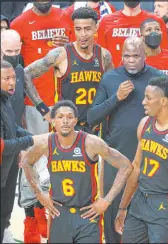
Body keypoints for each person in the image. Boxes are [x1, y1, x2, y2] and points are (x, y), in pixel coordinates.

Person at [87, 36, 168, 243]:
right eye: (127, 56)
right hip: (117, 156)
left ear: (145, 55)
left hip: (151, 157)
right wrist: (116, 98)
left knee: (145, 212)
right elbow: (92, 117)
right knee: (112, 209)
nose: (131, 60)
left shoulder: (158, 81)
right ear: (121, 57)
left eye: (136, 56)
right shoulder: (110, 79)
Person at [22, 100, 133, 243]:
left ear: (75, 120)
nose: (65, 121)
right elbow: (27, 163)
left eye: (69, 117)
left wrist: (106, 201)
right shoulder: (45, 143)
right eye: (60, 117)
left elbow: (126, 166)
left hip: (87, 215)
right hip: (59, 214)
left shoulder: (91, 143)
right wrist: (39, 194)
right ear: (53, 120)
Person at [114, 76, 168, 243]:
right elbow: (136, 167)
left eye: (148, 98)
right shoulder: (144, 124)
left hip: (165, 204)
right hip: (139, 200)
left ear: (164, 101)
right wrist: (123, 207)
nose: (143, 102)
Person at [24, 7, 114, 133]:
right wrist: (43, 109)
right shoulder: (60, 54)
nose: (82, 34)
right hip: (65, 128)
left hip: (94, 127)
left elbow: (110, 90)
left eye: (87, 29)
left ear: (96, 27)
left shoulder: (104, 56)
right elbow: (25, 74)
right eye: (78, 29)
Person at [11, 0, 72, 131]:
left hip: (67, 98)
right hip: (36, 101)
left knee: (67, 149)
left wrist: (70, 45)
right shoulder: (18, 24)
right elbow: (14, 67)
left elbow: (81, 54)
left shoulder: (67, 17)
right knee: (39, 148)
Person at [0, 60, 40, 243]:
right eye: (6, 78)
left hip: (6, 170)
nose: (11, 83)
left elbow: (12, 127)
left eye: (14, 78)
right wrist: (31, 140)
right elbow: (3, 145)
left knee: (5, 212)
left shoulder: (5, 99)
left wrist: (34, 137)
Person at [97, 0, 168, 67]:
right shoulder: (106, 21)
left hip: (146, 76)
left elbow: (164, 56)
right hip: (116, 76)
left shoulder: (155, 22)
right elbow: (101, 56)